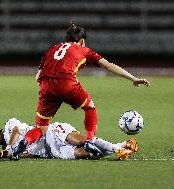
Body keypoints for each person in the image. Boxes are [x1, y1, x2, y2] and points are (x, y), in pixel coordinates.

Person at [11, 23, 150, 160]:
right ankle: (89, 141)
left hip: (46, 85)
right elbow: (108, 65)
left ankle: (24, 143)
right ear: (82, 41)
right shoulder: (85, 50)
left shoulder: (52, 50)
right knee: (90, 107)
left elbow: (37, 76)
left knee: (41, 128)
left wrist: (49, 89)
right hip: (66, 82)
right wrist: (133, 78)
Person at [0, 118, 138, 160]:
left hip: (51, 132)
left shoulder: (8, 126)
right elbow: (30, 154)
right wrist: (9, 155)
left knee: (79, 140)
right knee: (85, 153)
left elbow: (16, 129)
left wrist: (10, 148)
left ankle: (118, 150)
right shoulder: (11, 151)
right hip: (51, 151)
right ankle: (123, 145)